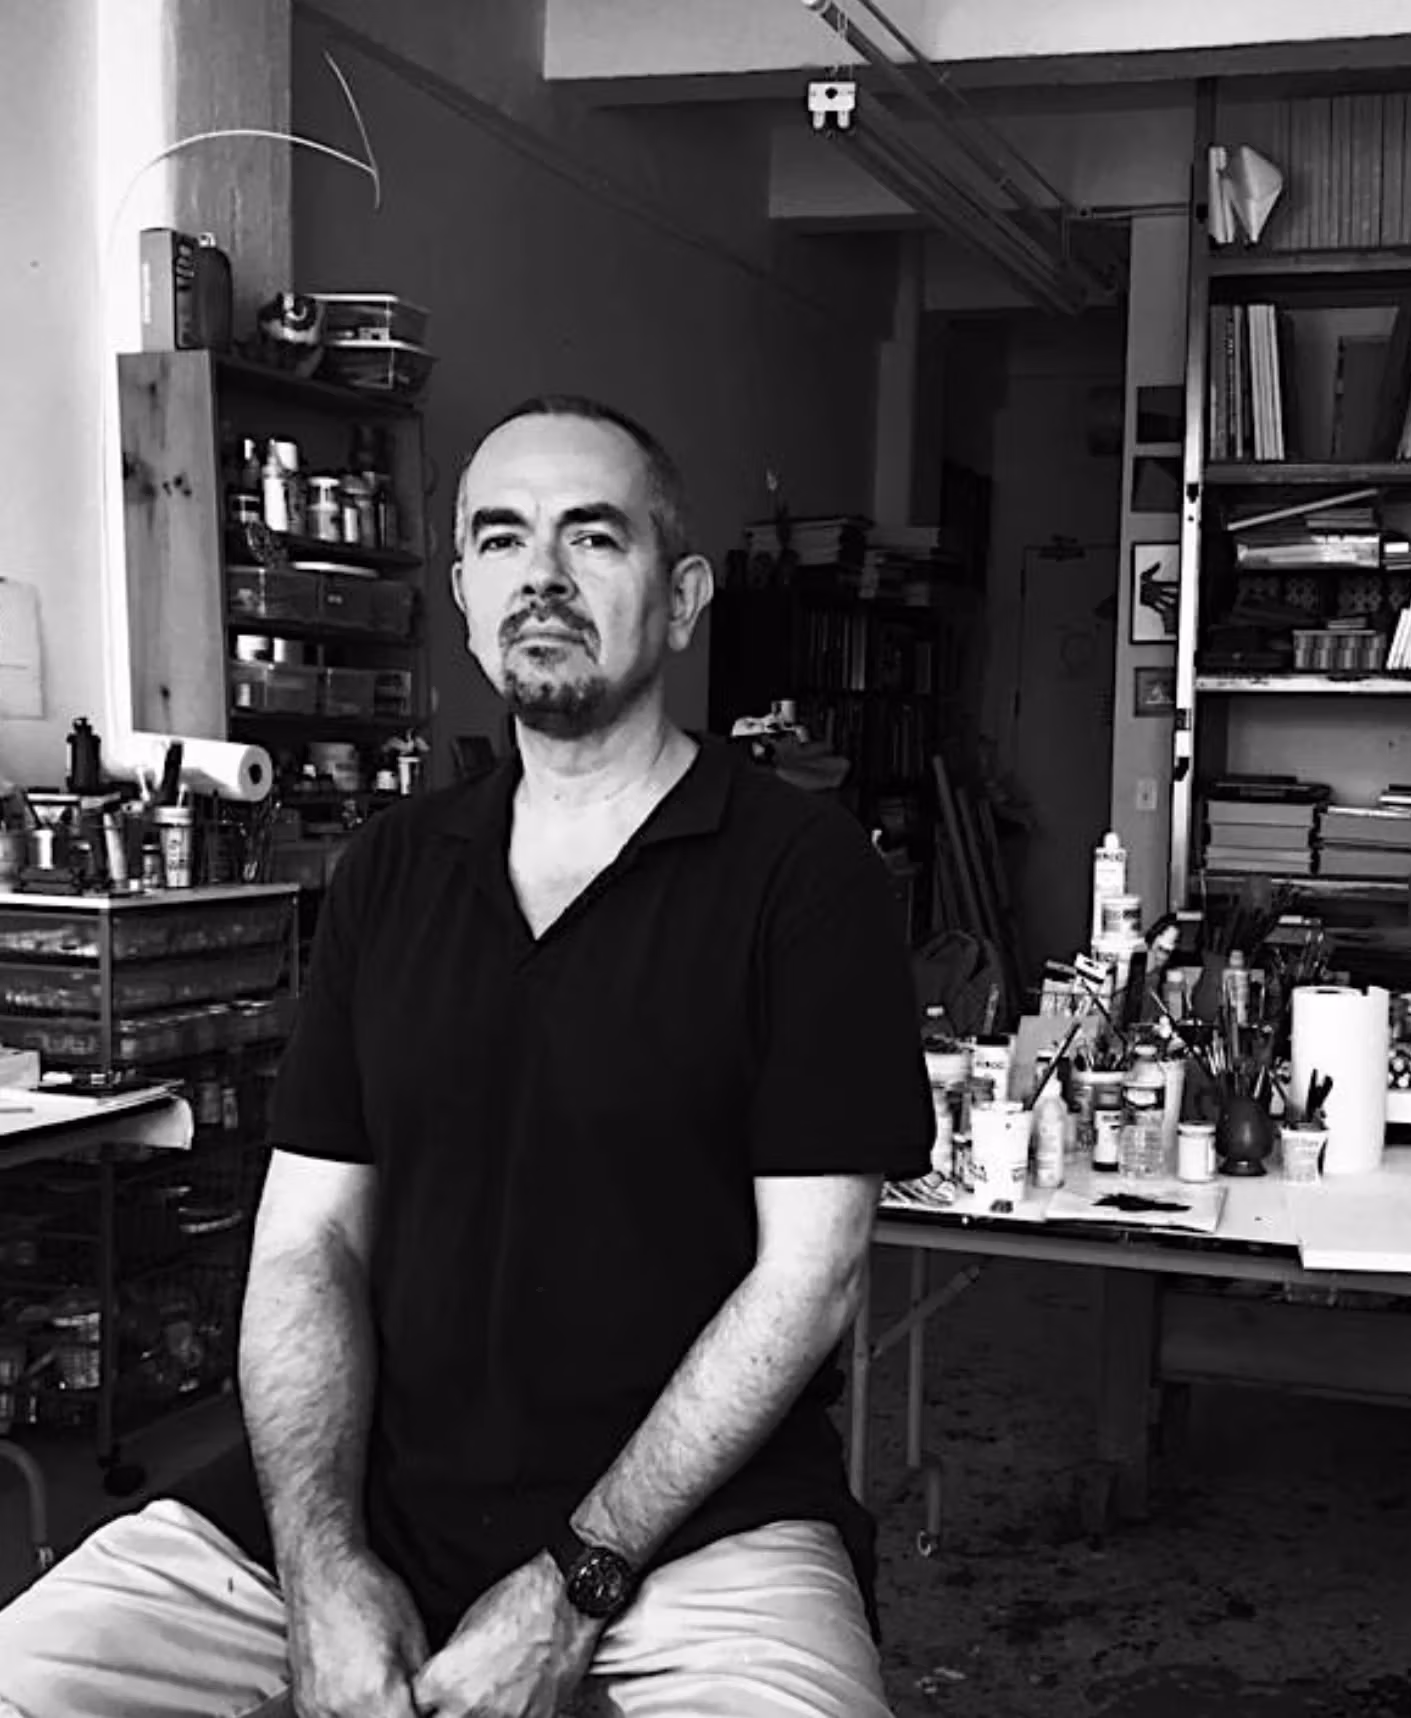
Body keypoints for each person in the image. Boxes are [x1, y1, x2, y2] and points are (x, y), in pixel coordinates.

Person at [0, 397, 933, 1718]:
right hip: (374, 1487)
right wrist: (321, 1563)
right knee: (27, 1673)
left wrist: (573, 1580)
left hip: (698, 1518)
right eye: (501, 539)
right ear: (461, 593)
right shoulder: (389, 868)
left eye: (590, 537)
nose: (540, 574)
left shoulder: (803, 876)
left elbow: (812, 1273)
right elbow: (305, 1241)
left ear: (679, 599)